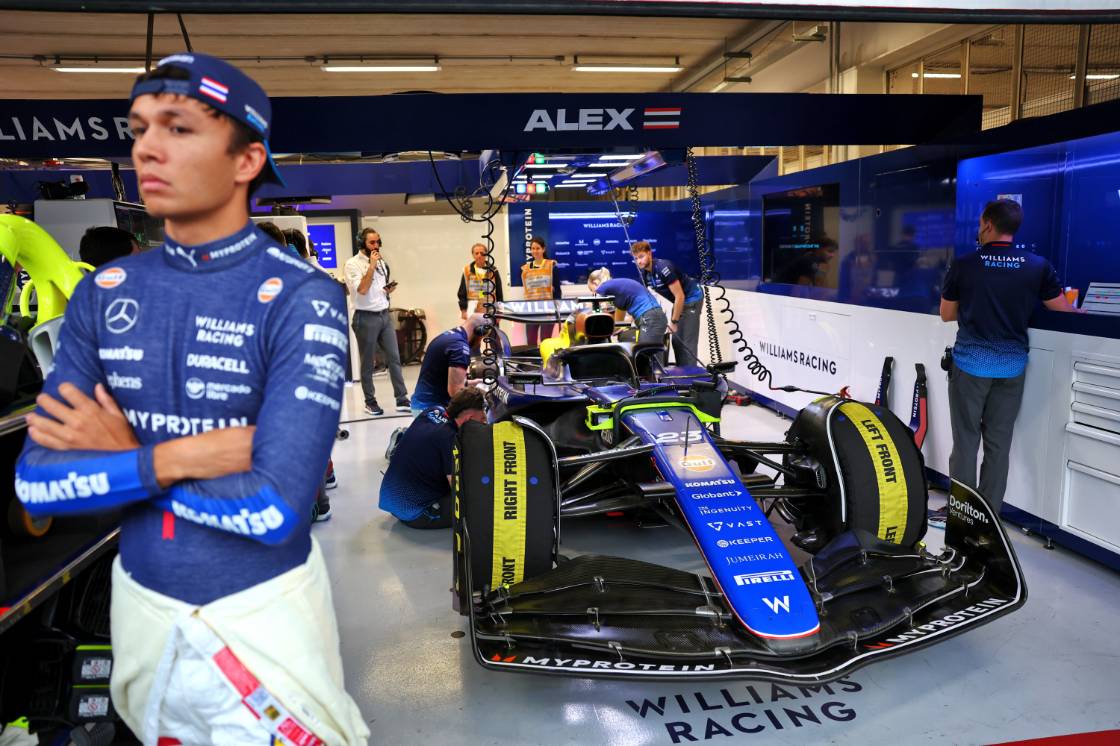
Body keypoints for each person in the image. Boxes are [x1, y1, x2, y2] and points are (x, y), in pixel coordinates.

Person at [14, 53, 368, 744]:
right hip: (142, 614)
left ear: (246, 160)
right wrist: (173, 460)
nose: (146, 146)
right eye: (141, 126)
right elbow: (36, 487)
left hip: (261, 619)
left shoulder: (302, 298)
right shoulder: (104, 295)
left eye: (177, 127)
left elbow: (275, 510)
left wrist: (120, 458)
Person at [933, 199, 1076, 527]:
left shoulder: (965, 264)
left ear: (986, 223)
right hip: (1012, 368)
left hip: (969, 365)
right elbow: (1063, 310)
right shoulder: (1037, 266)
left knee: (966, 442)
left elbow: (946, 314)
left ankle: (962, 514)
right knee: (999, 444)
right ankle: (989, 517)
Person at [379, 387, 487, 528]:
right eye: (483, 418)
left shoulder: (432, 411)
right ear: (469, 419)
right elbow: (459, 490)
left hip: (392, 502)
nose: (486, 422)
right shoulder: (451, 440)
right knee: (482, 501)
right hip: (415, 514)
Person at [344, 227, 409, 416]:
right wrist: (371, 265)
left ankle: (402, 398)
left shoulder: (382, 263)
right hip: (365, 317)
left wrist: (387, 290)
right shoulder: (352, 264)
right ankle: (370, 402)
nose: (376, 246)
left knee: (394, 358)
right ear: (361, 243)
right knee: (368, 363)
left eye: (378, 242)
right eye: (372, 242)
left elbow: (376, 289)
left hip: (383, 315)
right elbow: (362, 290)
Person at [630, 240, 703, 366]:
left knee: (686, 342)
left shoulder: (664, 268)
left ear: (649, 253)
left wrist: (674, 322)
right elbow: (642, 299)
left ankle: (691, 378)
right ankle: (683, 375)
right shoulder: (645, 274)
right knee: (676, 341)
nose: (639, 261)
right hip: (679, 302)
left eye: (641, 256)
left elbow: (680, 295)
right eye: (636, 259)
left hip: (692, 299)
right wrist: (630, 319)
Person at [410, 314, 485, 416]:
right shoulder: (459, 347)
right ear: (479, 331)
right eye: (482, 337)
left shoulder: (449, 336)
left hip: (422, 403)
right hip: (430, 409)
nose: (479, 342)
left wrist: (473, 383)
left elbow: (446, 380)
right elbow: (455, 392)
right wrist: (483, 394)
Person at [586, 267, 668, 352]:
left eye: (591, 289)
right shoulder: (617, 290)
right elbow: (619, 320)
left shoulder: (605, 285)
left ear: (595, 283)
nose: (593, 293)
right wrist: (620, 326)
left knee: (644, 354)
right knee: (651, 357)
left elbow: (594, 301)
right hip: (654, 317)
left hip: (650, 318)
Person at [520, 235, 560, 346]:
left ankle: (545, 363)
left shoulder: (552, 266)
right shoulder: (525, 269)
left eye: (537, 248)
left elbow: (557, 291)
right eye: (533, 248)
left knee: (545, 342)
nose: (535, 251)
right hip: (531, 310)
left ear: (543, 249)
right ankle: (532, 363)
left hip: (548, 310)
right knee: (531, 342)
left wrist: (557, 309)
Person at [458, 242, 504, 320]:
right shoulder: (467, 271)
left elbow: (499, 292)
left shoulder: (493, 270)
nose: (479, 255)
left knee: (491, 331)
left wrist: (500, 311)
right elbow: (462, 292)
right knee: (473, 331)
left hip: (490, 307)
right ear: (473, 255)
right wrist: (463, 310)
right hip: (472, 308)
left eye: (482, 253)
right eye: (476, 253)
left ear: (486, 255)